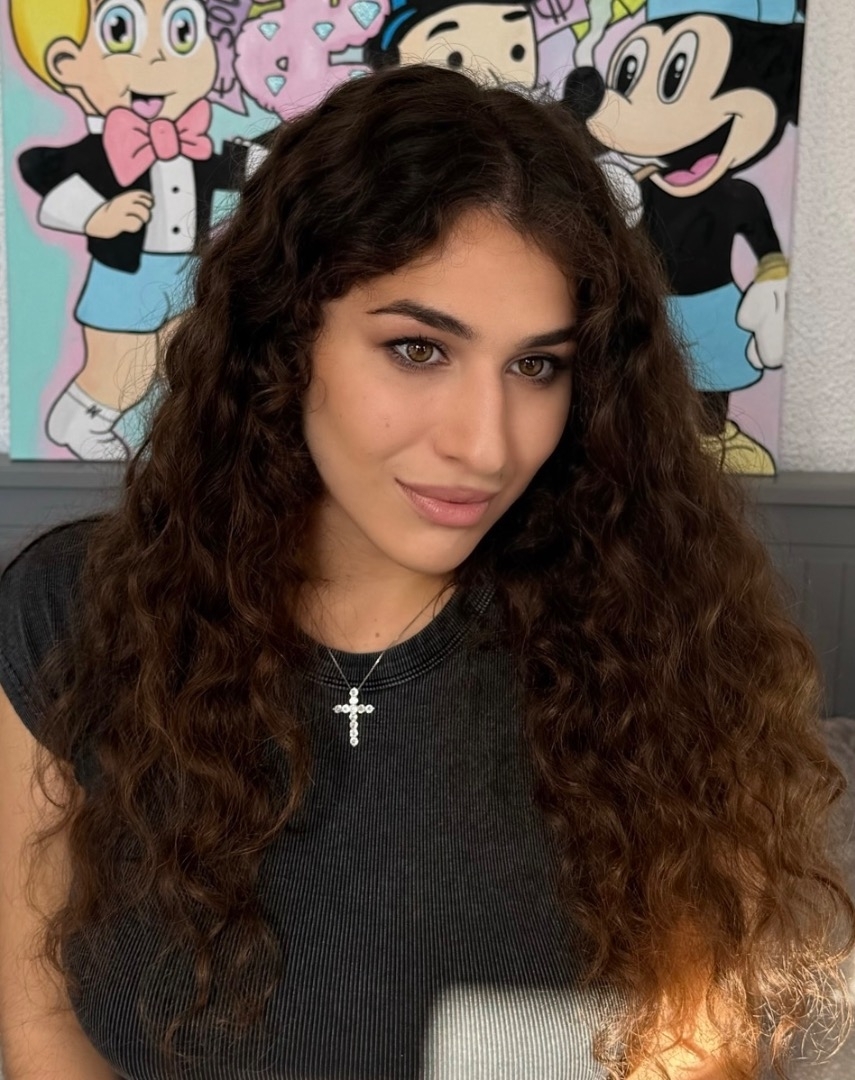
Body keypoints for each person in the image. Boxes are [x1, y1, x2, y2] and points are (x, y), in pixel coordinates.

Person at [0, 63, 851, 1080]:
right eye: (417, 349)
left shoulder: (658, 647)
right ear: (285, 337)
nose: (485, 446)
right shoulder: (71, 610)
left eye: (537, 366)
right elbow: (38, 1023)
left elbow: (694, 1048)